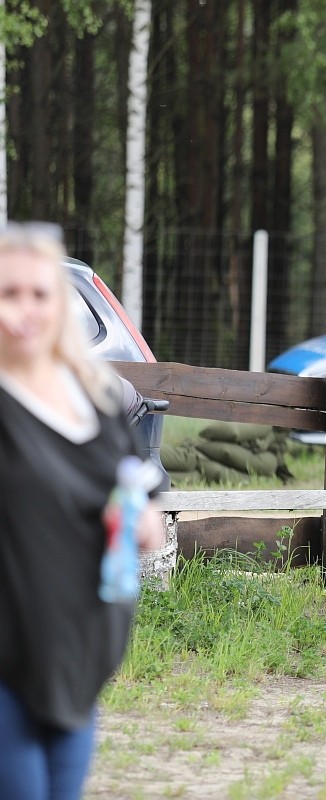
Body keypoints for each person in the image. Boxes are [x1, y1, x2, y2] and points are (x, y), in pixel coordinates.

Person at [0, 224, 166, 799]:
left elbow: (134, 487)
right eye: (8, 293)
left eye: (40, 294)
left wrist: (142, 519)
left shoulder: (96, 397)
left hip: (77, 661)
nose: (24, 309)